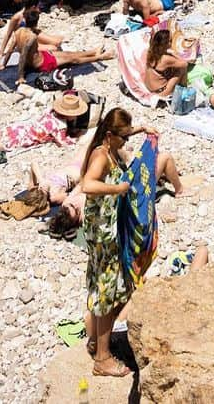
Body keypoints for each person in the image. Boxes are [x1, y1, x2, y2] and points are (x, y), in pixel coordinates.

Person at [80, 107, 157, 378]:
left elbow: (121, 134)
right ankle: (102, 358)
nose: (126, 142)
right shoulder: (101, 156)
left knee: (108, 290)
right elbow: (87, 185)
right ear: (110, 135)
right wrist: (118, 189)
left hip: (105, 231)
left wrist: (141, 129)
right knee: (106, 292)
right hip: (103, 235)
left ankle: (98, 341)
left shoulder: (109, 145)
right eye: (123, 137)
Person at [143, 27, 191, 99]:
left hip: (148, 87)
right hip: (161, 91)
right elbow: (185, 64)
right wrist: (175, 53)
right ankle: (184, 88)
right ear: (165, 43)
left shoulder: (150, 52)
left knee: (167, 70)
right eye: (170, 41)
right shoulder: (166, 59)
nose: (171, 43)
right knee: (181, 70)